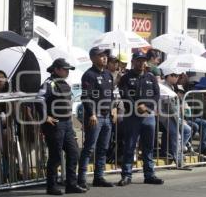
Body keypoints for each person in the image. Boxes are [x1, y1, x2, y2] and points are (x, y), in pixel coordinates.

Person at [37, 58, 86, 195]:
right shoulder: (48, 83)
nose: (67, 72)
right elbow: (39, 100)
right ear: (56, 69)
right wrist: (45, 117)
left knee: (73, 153)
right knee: (56, 156)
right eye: (65, 69)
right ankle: (51, 186)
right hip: (55, 125)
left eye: (68, 69)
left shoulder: (64, 83)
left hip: (67, 124)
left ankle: (71, 184)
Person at [117, 51, 164, 186]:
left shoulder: (151, 77)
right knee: (130, 146)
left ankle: (149, 175)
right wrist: (137, 106)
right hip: (132, 116)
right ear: (133, 62)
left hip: (148, 116)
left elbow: (156, 95)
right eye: (138, 60)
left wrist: (147, 107)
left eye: (143, 60)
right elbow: (124, 94)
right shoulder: (126, 78)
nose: (141, 63)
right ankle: (126, 175)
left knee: (149, 147)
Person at [78, 47, 116, 189]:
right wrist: (92, 113)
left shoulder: (108, 74)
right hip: (95, 116)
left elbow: (111, 95)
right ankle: (81, 179)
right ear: (93, 58)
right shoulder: (89, 75)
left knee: (103, 148)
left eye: (105, 55)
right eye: (101, 56)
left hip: (107, 116)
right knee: (89, 148)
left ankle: (99, 177)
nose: (105, 58)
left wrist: (114, 109)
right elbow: (85, 96)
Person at [159, 69, 192, 166]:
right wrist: (178, 119)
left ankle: (178, 151)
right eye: (174, 75)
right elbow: (169, 105)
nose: (176, 78)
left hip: (173, 116)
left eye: (177, 76)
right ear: (168, 76)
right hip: (166, 116)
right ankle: (178, 159)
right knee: (176, 135)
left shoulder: (172, 87)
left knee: (187, 130)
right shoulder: (164, 87)